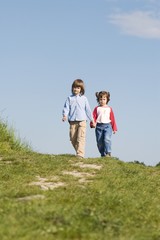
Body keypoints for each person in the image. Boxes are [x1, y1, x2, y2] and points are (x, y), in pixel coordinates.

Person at [62, 79, 95, 158]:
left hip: (82, 121)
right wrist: (64, 115)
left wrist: (92, 120)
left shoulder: (84, 98)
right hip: (72, 121)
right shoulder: (69, 98)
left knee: (81, 138)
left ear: (81, 89)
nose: (76, 89)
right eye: (74, 87)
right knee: (73, 139)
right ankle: (78, 151)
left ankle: (80, 154)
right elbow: (66, 108)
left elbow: (88, 110)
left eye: (78, 88)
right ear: (72, 88)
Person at [90, 91, 117, 157]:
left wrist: (114, 128)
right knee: (99, 142)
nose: (102, 101)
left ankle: (108, 152)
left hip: (107, 126)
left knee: (107, 139)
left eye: (104, 99)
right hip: (99, 126)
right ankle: (103, 154)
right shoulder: (97, 108)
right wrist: (92, 124)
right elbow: (93, 117)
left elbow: (112, 118)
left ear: (107, 99)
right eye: (100, 99)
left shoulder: (109, 109)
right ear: (98, 100)